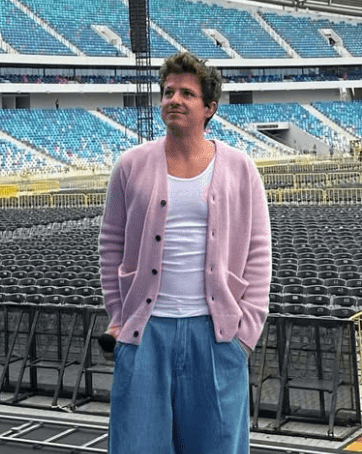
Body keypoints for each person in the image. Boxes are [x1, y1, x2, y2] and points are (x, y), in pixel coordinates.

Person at [99, 51, 271, 454]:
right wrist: (119, 316)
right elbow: (111, 244)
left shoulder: (240, 167)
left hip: (216, 334)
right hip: (145, 332)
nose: (174, 99)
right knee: (137, 445)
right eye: (168, 92)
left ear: (209, 107)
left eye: (187, 94)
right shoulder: (130, 165)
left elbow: (259, 251)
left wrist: (245, 333)